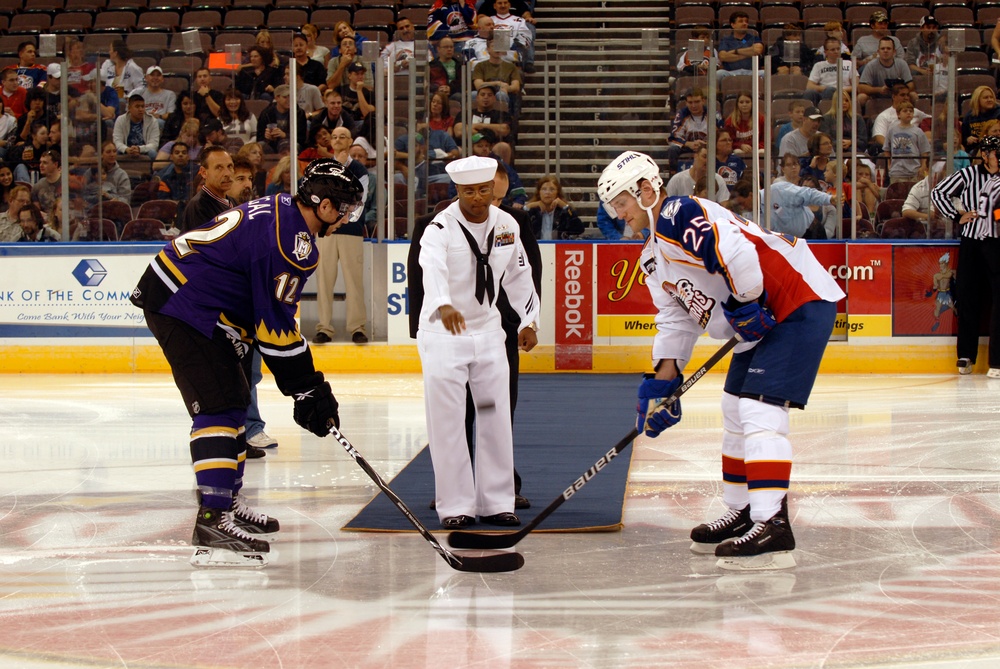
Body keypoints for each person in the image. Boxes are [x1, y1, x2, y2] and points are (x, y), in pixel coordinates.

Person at [597, 150, 844, 570]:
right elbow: (674, 316)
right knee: (733, 407)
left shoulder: (676, 212)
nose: (620, 215)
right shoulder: (652, 257)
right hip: (762, 315)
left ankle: (773, 524)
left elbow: (734, 251)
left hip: (796, 297)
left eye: (621, 203)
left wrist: (747, 304)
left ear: (644, 190)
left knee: (758, 408)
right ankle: (743, 510)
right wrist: (664, 378)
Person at [129, 158, 363, 565]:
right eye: (344, 208)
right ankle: (213, 518)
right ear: (323, 205)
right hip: (184, 304)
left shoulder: (282, 210)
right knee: (219, 405)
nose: (346, 217)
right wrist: (307, 388)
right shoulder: (295, 243)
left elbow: (269, 317)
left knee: (235, 399)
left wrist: (306, 384)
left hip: (193, 299)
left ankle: (228, 503)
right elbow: (274, 330)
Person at [413, 155, 540, 529]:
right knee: (449, 422)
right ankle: (455, 506)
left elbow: (520, 273)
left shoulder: (506, 225)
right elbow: (430, 269)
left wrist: (529, 320)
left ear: (492, 189)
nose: (478, 198)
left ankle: (497, 501)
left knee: (493, 416)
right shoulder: (439, 228)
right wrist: (443, 304)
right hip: (444, 337)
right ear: (457, 191)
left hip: (488, 334)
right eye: (469, 191)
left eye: (484, 190)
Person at [931, 134, 1000, 376]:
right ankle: (966, 355)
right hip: (972, 242)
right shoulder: (968, 175)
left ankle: (997, 361)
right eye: (995, 153)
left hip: (997, 244)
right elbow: (938, 193)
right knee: (968, 297)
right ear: (984, 154)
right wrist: (956, 215)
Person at [312, 127, 371, 346]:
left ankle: (357, 327)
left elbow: (359, 201)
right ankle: (324, 327)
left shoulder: (359, 170)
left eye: (342, 137)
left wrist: (338, 217)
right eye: (334, 137)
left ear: (350, 142)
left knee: (354, 281)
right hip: (326, 231)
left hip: (350, 231)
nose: (337, 140)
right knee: (324, 280)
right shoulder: (324, 168)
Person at [177, 146, 235, 234]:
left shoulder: (233, 202)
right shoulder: (199, 206)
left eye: (230, 166)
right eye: (219, 168)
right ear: (204, 172)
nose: (227, 173)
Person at [666, 87, 721, 171]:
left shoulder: (713, 114)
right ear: (686, 103)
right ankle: (674, 175)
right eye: (690, 102)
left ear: (703, 100)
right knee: (673, 149)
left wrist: (706, 144)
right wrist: (688, 143)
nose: (693, 105)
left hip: (709, 146)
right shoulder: (682, 114)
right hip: (688, 146)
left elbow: (722, 135)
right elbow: (672, 138)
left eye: (697, 102)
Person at [858, 37, 915, 110]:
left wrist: (898, 90)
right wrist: (879, 89)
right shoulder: (871, 65)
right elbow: (861, 87)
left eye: (888, 48)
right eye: (883, 49)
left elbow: (910, 85)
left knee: (913, 95)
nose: (885, 51)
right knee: (861, 97)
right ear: (878, 51)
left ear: (894, 52)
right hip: (876, 97)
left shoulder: (902, 64)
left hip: (898, 95)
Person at [525, 175, 584, 240]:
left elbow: (579, 229)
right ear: (539, 192)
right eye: (544, 189)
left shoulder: (564, 211)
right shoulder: (532, 211)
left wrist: (566, 207)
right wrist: (528, 206)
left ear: (557, 192)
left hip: (558, 248)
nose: (547, 193)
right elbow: (518, 227)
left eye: (552, 189)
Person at [884, 101, 930, 184]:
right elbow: (887, 149)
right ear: (898, 114)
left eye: (911, 111)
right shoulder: (892, 130)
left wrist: (923, 166)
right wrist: (889, 164)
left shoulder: (918, 131)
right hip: (897, 172)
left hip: (914, 172)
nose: (908, 113)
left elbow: (924, 151)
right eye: (905, 111)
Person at [256, 84, 307, 155]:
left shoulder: (299, 113)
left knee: (288, 146)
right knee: (260, 146)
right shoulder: (266, 113)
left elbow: (301, 139)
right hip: (271, 145)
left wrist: (285, 135)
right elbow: (259, 137)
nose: (289, 100)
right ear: (277, 98)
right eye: (285, 97)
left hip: (291, 144)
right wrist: (266, 137)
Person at [805, 38, 854, 106]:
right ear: (825, 52)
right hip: (823, 93)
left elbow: (855, 86)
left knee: (830, 90)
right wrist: (827, 88)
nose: (836, 51)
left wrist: (837, 89)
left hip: (843, 94)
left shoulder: (849, 64)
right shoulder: (818, 65)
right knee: (809, 93)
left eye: (838, 49)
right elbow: (810, 86)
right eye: (833, 50)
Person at [717, 11, 764, 79]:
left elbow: (757, 50)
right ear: (733, 25)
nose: (745, 23)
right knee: (719, 73)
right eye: (741, 21)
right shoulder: (726, 40)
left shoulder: (754, 38)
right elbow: (723, 56)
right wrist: (749, 53)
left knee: (764, 73)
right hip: (730, 72)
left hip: (751, 72)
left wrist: (735, 51)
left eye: (746, 21)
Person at [112, 94, 160, 160]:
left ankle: (154, 170)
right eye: (137, 106)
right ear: (129, 108)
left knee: (153, 153)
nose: (141, 109)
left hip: (144, 150)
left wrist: (139, 149)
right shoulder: (120, 120)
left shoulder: (152, 121)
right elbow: (117, 141)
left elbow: (154, 144)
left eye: (142, 106)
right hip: (127, 149)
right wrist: (126, 149)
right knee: (115, 152)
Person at [723, 91, 765, 159]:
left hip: (758, 149)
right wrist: (740, 145)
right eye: (741, 102)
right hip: (738, 150)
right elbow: (728, 140)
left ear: (752, 103)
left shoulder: (761, 119)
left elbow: (766, 139)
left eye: (747, 102)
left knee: (762, 152)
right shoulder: (730, 122)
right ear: (737, 104)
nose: (744, 105)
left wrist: (755, 147)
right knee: (738, 152)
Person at [155, 140, 194, 209]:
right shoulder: (166, 179)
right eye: (177, 153)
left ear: (188, 156)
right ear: (171, 157)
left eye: (184, 153)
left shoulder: (197, 174)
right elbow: (163, 201)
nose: (180, 155)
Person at [961, 86, 1000, 154]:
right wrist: (967, 139)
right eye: (986, 97)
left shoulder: (999, 113)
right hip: (974, 150)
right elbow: (963, 138)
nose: (989, 100)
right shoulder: (969, 117)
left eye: (991, 97)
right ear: (977, 100)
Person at [136, 65, 176, 131]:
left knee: (157, 122)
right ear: (146, 78)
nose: (155, 78)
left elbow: (171, 114)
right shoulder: (139, 93)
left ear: (162, 79)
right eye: (152, 75)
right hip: (142, 120)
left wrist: (159, 116)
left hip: (160, 122)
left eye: (158, 75)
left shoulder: (170, 94)